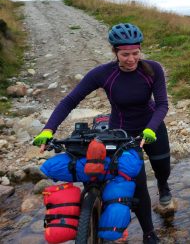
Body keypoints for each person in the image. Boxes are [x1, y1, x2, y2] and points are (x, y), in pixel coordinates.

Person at [33, 23, 171, 244]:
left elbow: (163, 104)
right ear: (115, 52)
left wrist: (150, 129)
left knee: (162, 167)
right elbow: (70, 100)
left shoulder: (152, 69)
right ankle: (149, 233)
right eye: (125, 54)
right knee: (137, 184)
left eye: (136, 53)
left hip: (152, 127)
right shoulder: (103, 73)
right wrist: (48, 129)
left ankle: (164, 186)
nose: (132, 59)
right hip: (122, 134)